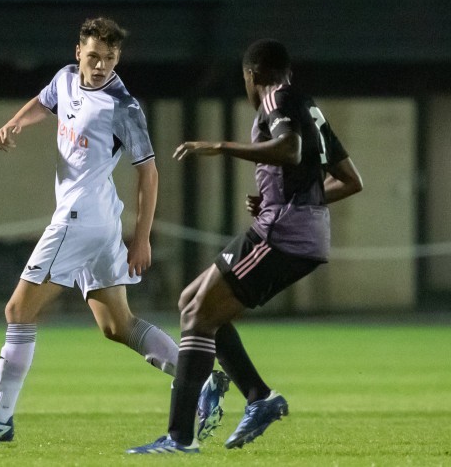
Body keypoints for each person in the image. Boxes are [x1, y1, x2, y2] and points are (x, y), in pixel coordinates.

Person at [0, 17, 227, 442]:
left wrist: (142, 238)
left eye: (110, 59)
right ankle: (204, 382)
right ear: (78, 51)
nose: (101, 66)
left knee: (17, 311)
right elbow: (41, 105)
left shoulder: (123, 106)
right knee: (118, 325)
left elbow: (149, 173)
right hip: (97, 220)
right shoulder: (64, 80)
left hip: (80, 219)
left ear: (118, 59)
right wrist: (13, 125)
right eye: (95, 56)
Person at [127, 39, 364, 454]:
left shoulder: (276, 97)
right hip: (293, 225)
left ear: (251, 75)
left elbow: (288, 149)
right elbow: (349, 179)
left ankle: (181, 438)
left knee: (199, 315)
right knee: (190, 302)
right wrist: (283, 195)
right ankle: (257, 397)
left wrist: (219, 147)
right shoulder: (307, 105)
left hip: (283, 232)